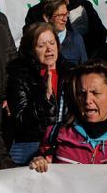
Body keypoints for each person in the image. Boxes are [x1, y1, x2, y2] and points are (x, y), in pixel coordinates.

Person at [29, 60, 107, 174]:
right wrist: (38, 163)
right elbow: (36, 181)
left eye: (95, 93)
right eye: (81, 93)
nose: (88, 100)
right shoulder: (55, 135)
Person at [6, 22, 69, 165]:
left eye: (52, 43)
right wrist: (44, 97)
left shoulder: (70, 71)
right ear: (31, 50)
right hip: (30, 148)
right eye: (41, 46)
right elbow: (21, 119)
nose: (49, 49)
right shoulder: (19, 75)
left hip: (64, 146)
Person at [24, 0, 107, 57]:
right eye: (55, 2)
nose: (60, 5)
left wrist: (85, 56)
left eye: (62, 0)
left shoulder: (84, 6)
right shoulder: (35, 12)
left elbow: (100, 34)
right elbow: (28, 41)